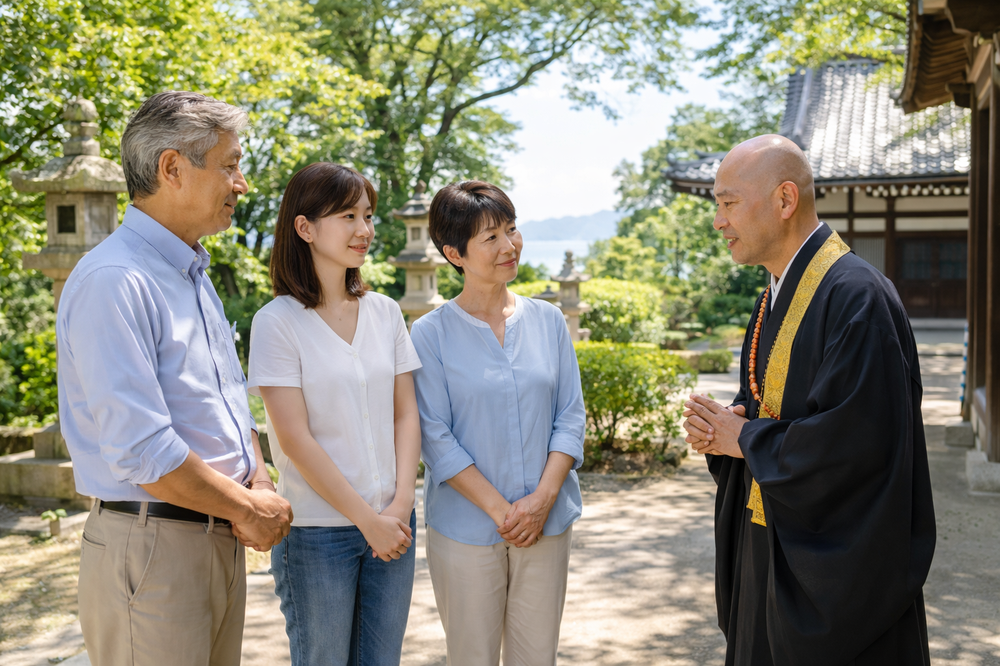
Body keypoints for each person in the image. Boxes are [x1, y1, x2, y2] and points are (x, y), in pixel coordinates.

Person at [57, 91, 293, 666]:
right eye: (230, 165)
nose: (243, 185)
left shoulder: (190, 271)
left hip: (217, 536)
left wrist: (257, 483)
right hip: (154, 545)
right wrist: (248, 508)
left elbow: (226, 407)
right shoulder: (115, 279)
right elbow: (143, 450)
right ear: (171, 168)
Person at [682, 135, 936, 665]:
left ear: (784, 200)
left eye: (728, 203)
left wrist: (747, 439)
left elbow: (858, 444)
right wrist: (725, 429)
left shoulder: (857, 297)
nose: (718, 222)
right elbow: (766, 402)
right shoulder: (777, 290)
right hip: (769, 547)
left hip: (830, 574)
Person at [247, 162, 422, 665]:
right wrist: (366, 520)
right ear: (305, 227)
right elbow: (295, 439)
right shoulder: (277, 322)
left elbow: (405, 414)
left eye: (367, 216)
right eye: (348, 216)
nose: (364, 230)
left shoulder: (385, 312)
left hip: (395, 524)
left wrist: (399, 505)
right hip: (317, 535)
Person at [409, 180, 586, 666]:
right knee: (472, 658)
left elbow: (570, 414)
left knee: (537, 658)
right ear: (454, 253)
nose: (509, 246)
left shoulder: (549, 322)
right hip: (466, 529)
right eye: (491, 238)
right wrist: (504, 512)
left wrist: (542, 500)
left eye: (511, 230)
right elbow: (434, 436)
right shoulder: (429, 334)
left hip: (546, 523)